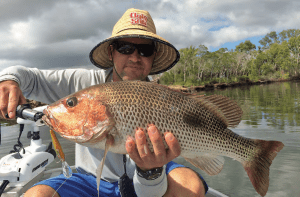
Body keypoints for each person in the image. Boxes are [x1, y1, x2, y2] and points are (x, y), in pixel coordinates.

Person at [0, 8, 208, 197]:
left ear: (153, 58)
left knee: (190, 185)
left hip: (159, 166)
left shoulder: (162, 96)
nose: (135, 57)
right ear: (111, 52)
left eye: (145, 50)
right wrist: (8, 80)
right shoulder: (82, 83)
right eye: (125, 47)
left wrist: (151, 170)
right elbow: (31, 77)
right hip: (88, 179)